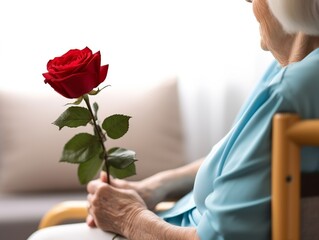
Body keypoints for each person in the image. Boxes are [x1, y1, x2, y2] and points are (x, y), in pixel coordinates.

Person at [27, 0, 319, 239]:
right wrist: (154, 187)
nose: (247, 2)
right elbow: (242, 162)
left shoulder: (290, 90)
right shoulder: (291, 73)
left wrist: (129, 218)